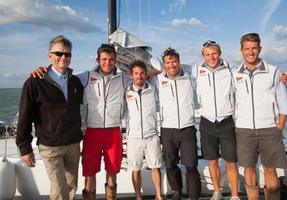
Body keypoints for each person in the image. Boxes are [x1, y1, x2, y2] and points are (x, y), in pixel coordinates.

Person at [31, 44, 130, 200]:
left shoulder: (124, 78)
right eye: (104, 59)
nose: (107, 62)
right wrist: (44, 70)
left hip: (114, 131)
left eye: (111, 59)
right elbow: (61, 75)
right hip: (92, 131)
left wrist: (154, 73)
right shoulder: (86, 76)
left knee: (112, 170)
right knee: (89, 171)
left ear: (115, 61)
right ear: (98, 60)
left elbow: (142, 76)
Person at [16, 35, 84, 200]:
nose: (63, 57)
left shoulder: (75, 82)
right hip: (50, 145)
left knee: (71, 186)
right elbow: (24, 116)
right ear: (50, 55)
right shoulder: (35, 82)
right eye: (59, 53)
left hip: (73, 144)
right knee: (59, 190)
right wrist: (24, 147)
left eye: (67, 54)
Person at [233, 33, 287, 200]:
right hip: (244, 130)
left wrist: (279, 126)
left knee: (270, 170)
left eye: (254, 48)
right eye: (247, 49)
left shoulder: (274, 71)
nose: (250, 52)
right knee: (249, 169)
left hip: (269, 129)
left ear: (259, 49)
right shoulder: (234, 73)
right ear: (241, 51)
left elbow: (284, 101)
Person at [152, 47, 201, 200]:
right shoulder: (158, 79)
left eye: (174, 61)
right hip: (167, 129)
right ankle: (177, 191)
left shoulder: (189, 76)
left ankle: (194, 197)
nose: (171, 65)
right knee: (170, 164)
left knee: (191, 165)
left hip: (187, 128)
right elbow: (139, 80)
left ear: (179, 62)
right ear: (164, 64)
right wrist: (150, 73)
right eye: (168, 62)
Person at [196, 40, 239, 200]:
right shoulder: (196, 71)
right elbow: (170, 71)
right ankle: (217, 191)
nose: (211, 57)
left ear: (219, 53)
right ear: (203, 56)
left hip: (226, 121)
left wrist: (280, 79)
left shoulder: (230, 70)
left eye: (214, 53)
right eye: (207, 54)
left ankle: (234, 195)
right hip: (207, 121)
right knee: (212, 161)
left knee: (231, 161)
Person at [125, 60, 164, 200]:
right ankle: (138, 196)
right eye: (136, 73)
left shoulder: (153, 88)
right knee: (135, 168)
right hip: (134, 137)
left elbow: (162, 72)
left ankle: (159, 195)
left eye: (142, 73)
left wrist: (152, 74)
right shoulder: (126, 90)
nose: (139, 76)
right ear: (131, 76)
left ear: (146, 75)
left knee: (155, 166)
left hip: (151, 135)